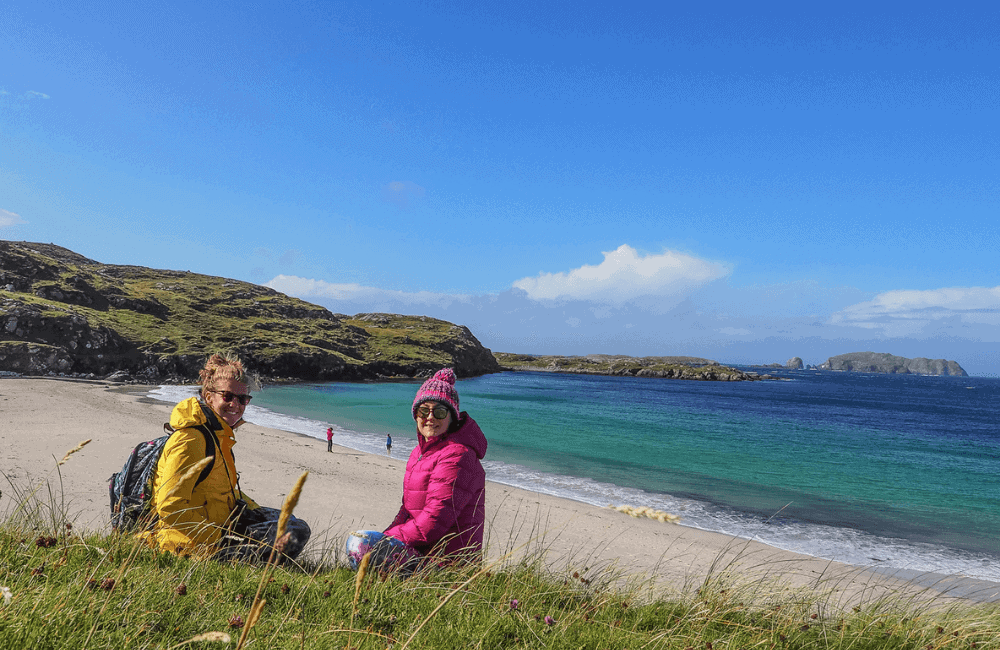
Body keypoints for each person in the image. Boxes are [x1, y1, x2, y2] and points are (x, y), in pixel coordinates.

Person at [139, 353, 311, 562]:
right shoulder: (191, 438)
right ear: (209, 396)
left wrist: (251, 508)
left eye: (243, 399)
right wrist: (219, 537)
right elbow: (170, 506)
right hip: (188, 544)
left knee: (292, 522)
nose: (235, 405)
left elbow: (221, 489)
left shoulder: (218, 434)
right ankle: (241, 566)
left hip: (218, 522)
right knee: (295, 533)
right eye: (227, 396)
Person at [346, 368, 487, 573]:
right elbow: (406, 511)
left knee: (359, 545)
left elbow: (433, 522)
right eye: (424, 411)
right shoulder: (420, 453)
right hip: (424, 552)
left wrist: (387, 540)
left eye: (439, 411)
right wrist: (385, 535)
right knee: (364, 542)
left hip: (447, 565)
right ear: (416, 414)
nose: (430, 417)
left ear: (452, 417)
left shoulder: (458, 455)